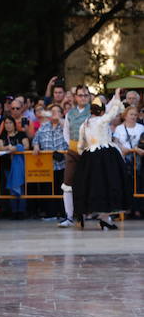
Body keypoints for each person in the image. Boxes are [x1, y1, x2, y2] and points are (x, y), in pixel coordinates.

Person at [73, 90, 130, 229]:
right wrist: (117, 96)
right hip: (106, 157)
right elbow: (115, 111)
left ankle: (102, 218)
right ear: (101, 111)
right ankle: (105, 218)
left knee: (93, 186)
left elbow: (80, 146)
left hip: (90, 156)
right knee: (109, 184)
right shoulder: (102, 120)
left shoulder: (84, 124)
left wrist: (86, 158)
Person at [60, 86, 91, 228]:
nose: (83, 98)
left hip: (89, 151)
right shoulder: (70, 114)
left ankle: (89, 213)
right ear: (75, 97)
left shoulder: (93, 112)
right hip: (73, 151)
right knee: (68, 183)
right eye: (80, 95)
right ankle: (69, 216)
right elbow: (66, 131)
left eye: (85, 95)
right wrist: (72, 145)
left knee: (90, 182)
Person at [0, 116, 30, 218]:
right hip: (8, 165)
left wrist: (16, 148)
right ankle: (14, 211)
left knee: (21, 187)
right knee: (12, 188)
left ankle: (22, 211)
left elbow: (26, 146)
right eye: (6, 123)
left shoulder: (21, 134)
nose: (8, 125)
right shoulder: (2, 136)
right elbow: (0, 147)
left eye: (10, 123)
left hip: (21, 165)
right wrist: (8, 148)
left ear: (14, 124)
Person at [114, 105, 144, 217]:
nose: (133, 117)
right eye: (131, 114)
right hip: (124, 158)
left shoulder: (141, 127)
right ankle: (126, 208)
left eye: (135, 115)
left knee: (139, 184)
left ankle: (137, 209)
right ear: (125, 116)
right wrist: (122, 149)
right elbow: (116, 142)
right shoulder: (119, 128)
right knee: (126, 183)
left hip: (138, 159)